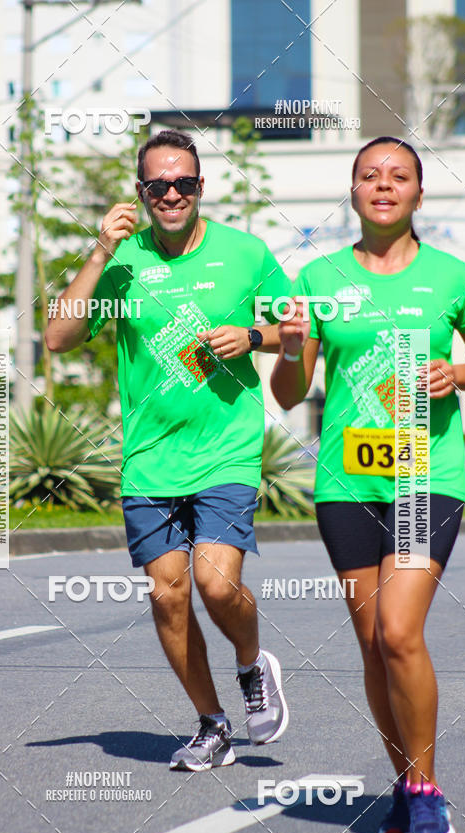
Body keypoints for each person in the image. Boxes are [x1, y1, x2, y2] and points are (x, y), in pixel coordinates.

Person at [271, 136, 465, 833]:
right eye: (369, 174)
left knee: (400, 632)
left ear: (418, 195)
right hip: (345, 483)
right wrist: (288, 348)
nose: (383, 184)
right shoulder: (318, 276)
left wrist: (456, 375)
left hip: (420, 478)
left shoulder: (452, 277)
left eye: (399, 176)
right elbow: (289, 394)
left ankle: (427, 791)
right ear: (353, 192)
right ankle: (404, 783)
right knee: (373, 645)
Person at [46, 129, 289, 771]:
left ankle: (251, 664)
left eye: (183, 183)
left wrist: (253, 334)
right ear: (141, 191)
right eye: (159, 185)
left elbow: (299, 325)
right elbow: (58, 337)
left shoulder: (245, 252)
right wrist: (100, 249)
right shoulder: (122, 262)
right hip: (150, 460)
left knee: (215, 582)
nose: (172, 194)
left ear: (201, 187)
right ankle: (212, 725)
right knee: (167, 594)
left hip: (226, 450)